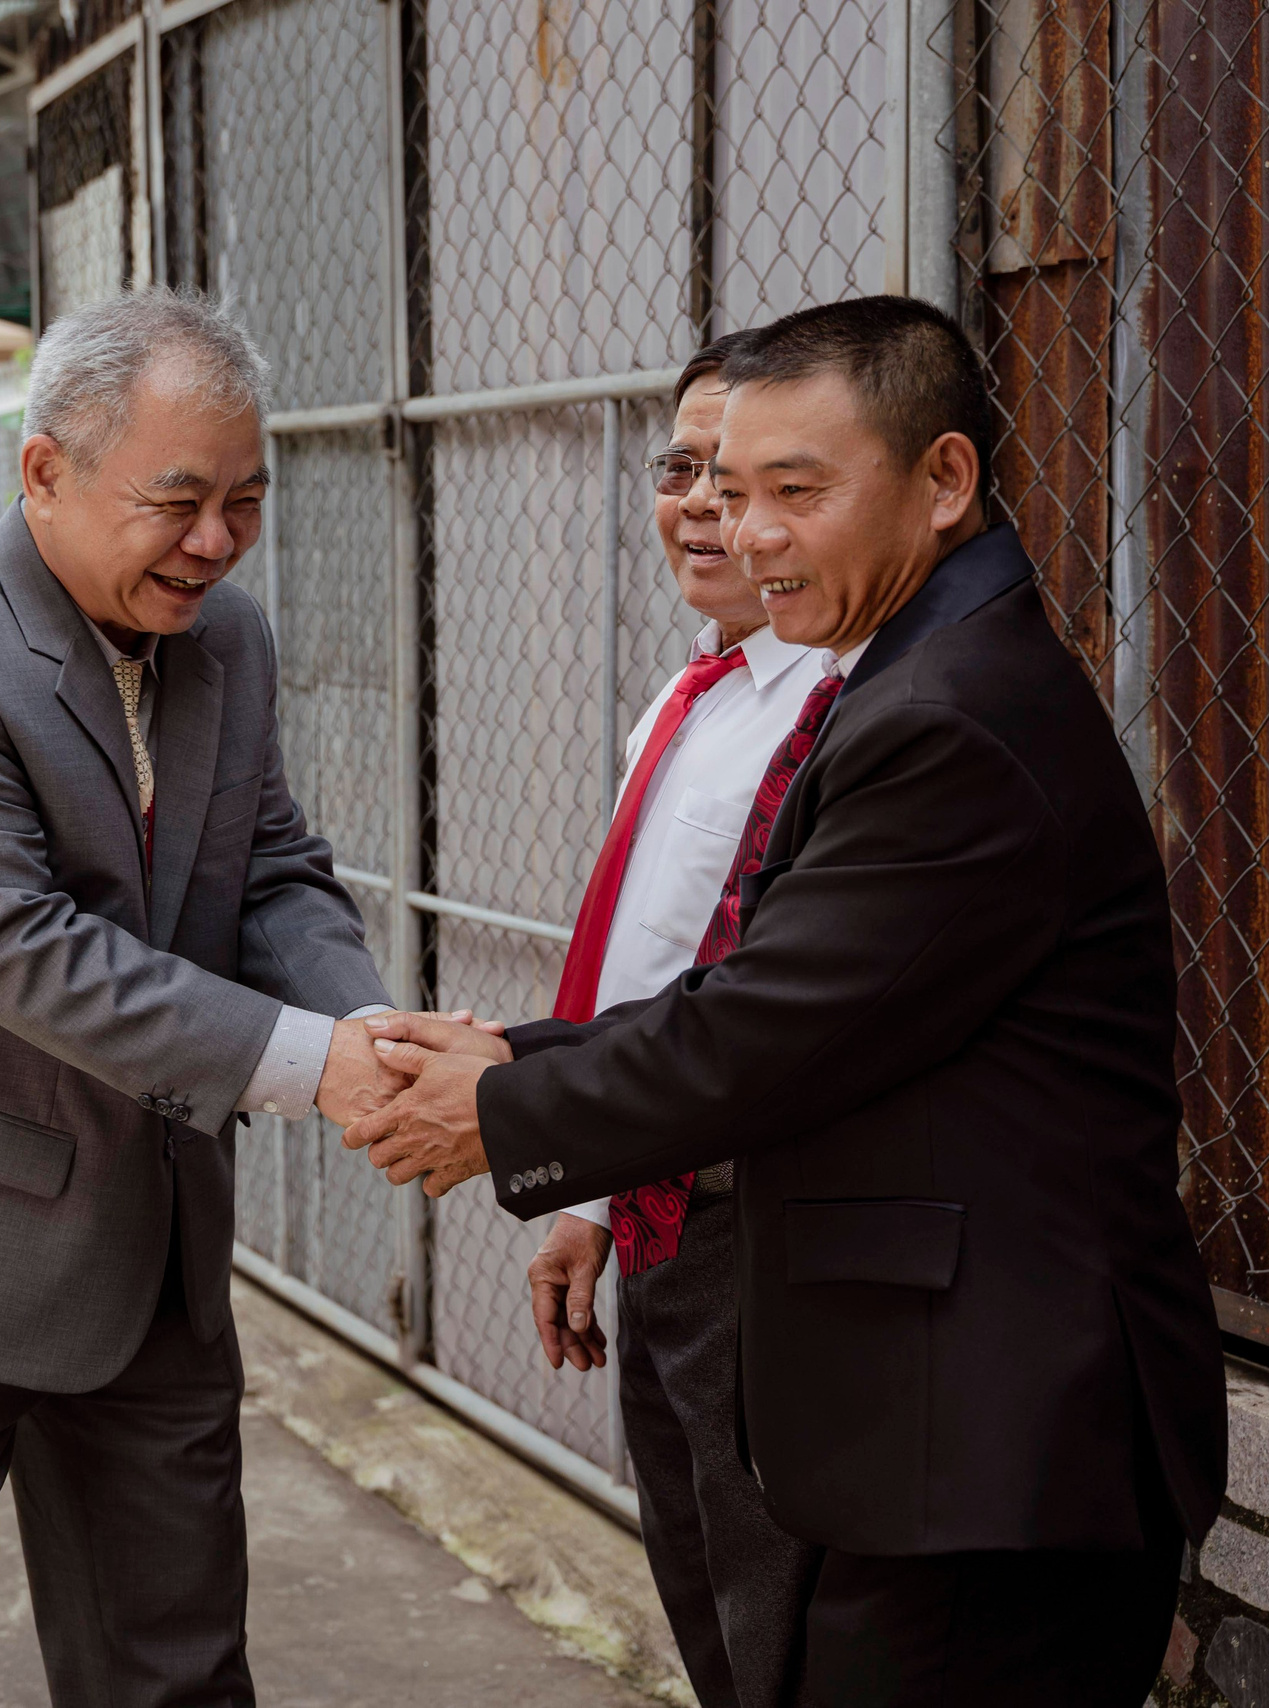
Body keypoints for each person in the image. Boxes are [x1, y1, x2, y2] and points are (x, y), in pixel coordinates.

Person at [350, 295, 1228, 1707]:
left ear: (944, 482)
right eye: (726, 489)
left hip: (988, 1443)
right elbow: (771, 995)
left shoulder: (945, 719)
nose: (747, 533)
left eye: (796, 493)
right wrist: (518, 1051)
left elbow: (760, 1038)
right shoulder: (919, 676)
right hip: (943, 1427)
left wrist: (502, 1108)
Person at [0, 288, 413, 1708]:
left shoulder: (226, 641)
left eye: (245, 500)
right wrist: (318, 1067)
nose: (215, 542)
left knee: (176, 1666)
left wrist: (366, 1026)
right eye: (177, 500)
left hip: (155, 1245)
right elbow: (24, 951)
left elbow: (275, 873)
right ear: (45, 470)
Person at [525, 331, 825, 1708]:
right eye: (681, 469)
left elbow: (750, 1009)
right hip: (652, 1212)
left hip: (755, 1226)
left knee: (775, 1615)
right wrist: (578, 1197)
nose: (702, 504)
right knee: (699, 1582)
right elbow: (644, 962)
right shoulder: (693, 695)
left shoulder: (831, 710)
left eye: (746, 476)